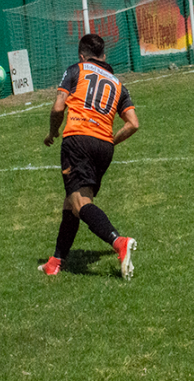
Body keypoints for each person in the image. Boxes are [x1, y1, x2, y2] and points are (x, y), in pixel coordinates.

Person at [39, 33, 140, 279]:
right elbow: (133, 124)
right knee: (71, 202)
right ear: (104, 57)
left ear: (81, 56)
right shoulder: (117, 83)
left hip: (78, 139)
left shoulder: (76, 70)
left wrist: (52, 132)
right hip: (104, 146)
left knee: (80, 203)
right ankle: (56, 261)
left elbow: (58, 107)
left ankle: (119, 242)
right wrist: (109, 140)